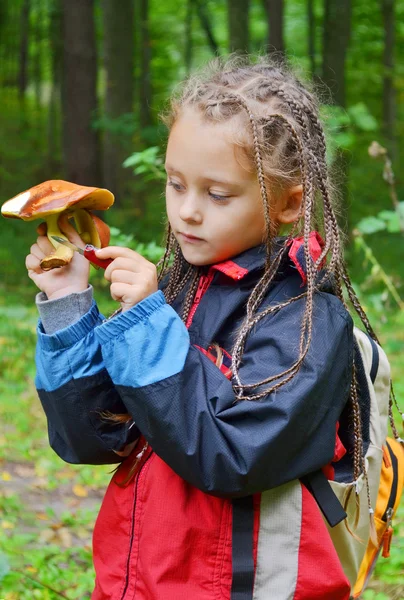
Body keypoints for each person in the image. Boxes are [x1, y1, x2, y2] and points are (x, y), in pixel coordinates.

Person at [26, 56, 372, 600]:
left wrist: (146, 322)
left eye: (216, 194)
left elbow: (229, 455)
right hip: (137, 584)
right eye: (175, 183)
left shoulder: (307, 323)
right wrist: (69, 304)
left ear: (288, 203)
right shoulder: (174, 296)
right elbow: (93, 437)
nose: (186, 212)